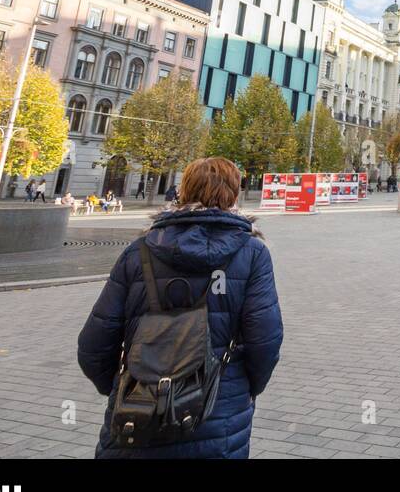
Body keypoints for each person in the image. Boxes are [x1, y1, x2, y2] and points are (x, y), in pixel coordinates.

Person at [77, 156, 284, 458]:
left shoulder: (140, 250)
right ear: (233, 193)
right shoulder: (251, 253)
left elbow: (93, 345)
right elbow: (265, 340)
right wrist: (240, 388)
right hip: (217, 414)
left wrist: (124, 386)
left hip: (137, 414)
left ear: (183, 190)